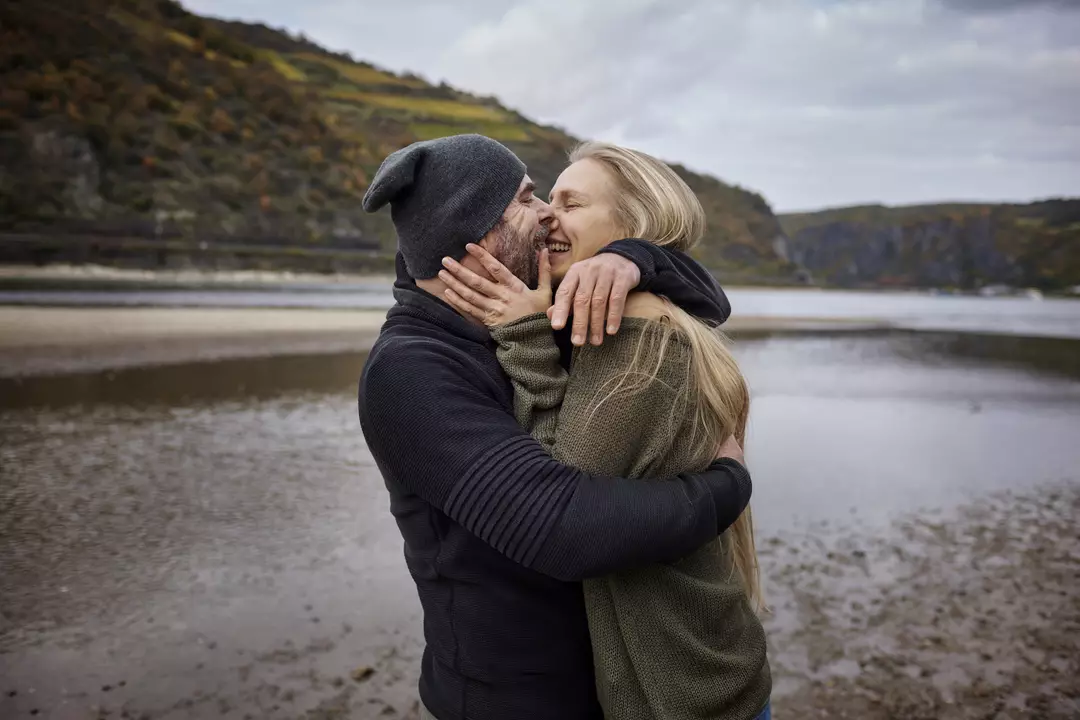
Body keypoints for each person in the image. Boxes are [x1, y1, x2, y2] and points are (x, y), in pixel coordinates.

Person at [357, 134, 752, 720]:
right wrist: (728, 487)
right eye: (525, 200)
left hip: (608, 690)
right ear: (473, 232)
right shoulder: (410, 371)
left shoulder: (534, 310)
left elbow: (707, 302)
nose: (546, 214)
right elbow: (562, 529)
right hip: (512, 701)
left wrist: (633, 259)